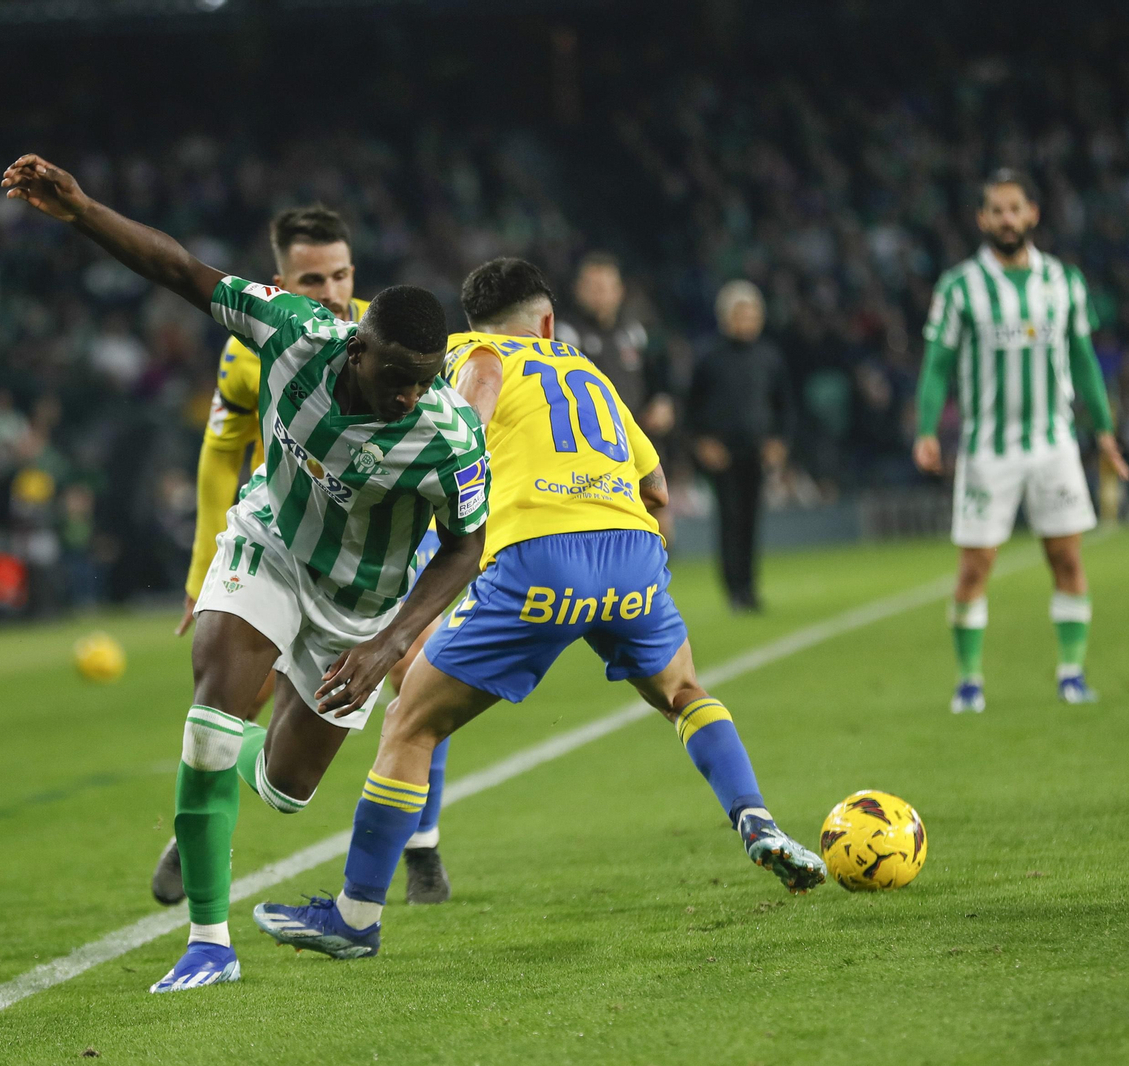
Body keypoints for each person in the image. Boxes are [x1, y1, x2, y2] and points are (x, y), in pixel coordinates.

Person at [1, 154, 490, 993]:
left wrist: (387, 644)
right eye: (397, 377)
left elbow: (464, 547)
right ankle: (208, 942)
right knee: (208, 728)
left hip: (357, 607)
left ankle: (236, 779)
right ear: (358, 346)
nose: (410, 396)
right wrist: (82, 209)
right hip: (269, 546)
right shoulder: (291, 330)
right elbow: (177, 267)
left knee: (285, 788)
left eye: (423, 380)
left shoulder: (446, 436)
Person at [251, 257, 824, 960]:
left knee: (409, 723)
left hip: (538, 559)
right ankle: (757, 820)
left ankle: (355, 917)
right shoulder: (588, 370)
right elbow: (660, 488)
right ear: (548, 322)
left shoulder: (472, 351)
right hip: (631, 553)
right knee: (682, 691)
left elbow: (476, 396)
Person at [154, 205, 457, 910]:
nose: (330, 290)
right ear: (280, 281)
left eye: (342, 273)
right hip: (286, 544)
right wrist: (203, 572)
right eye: (312, 278)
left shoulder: (390, 344)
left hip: (380, 558)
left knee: (420, 681)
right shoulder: (257, 343)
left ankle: (421, 846)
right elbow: (220, 453)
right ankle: (203, 815)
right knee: (236, 696)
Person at [914, 169, 1129, 714]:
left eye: (1016, 209)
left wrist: (1103, 431)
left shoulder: (1064, 282)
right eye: (997, 211)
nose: (1007, 219)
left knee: (1066, 557)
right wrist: (925, 430)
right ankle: (969, 682)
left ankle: (1072, 674)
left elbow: (1083, 360)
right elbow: (937, 364)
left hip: (1053, 444)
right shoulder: (960, 286)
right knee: (974, 567)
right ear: (982, 219)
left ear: (1033, 213)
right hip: (988, 449)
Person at [687, 280, 795, 611]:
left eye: (751, 314)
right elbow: (691, 405)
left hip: (757, 451)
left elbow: (785, 405)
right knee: (730, 519)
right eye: (739, 313)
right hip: (721, 454)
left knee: (751, 519)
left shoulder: (770, 357)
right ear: (725, 317)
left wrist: (781, 442)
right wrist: (701, 442)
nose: (746, 320)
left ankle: (749, 586)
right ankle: (734, 589)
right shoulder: (709, 357)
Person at [554, 252, 674, 437]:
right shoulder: (563, 336)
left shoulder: (635, 333)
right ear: (577, 289)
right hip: (588, 442)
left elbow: (659, 378)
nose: (598, 294)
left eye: (604, 287)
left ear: (619, 291)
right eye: (591, 287)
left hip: (637, 441)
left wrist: (662, 402)